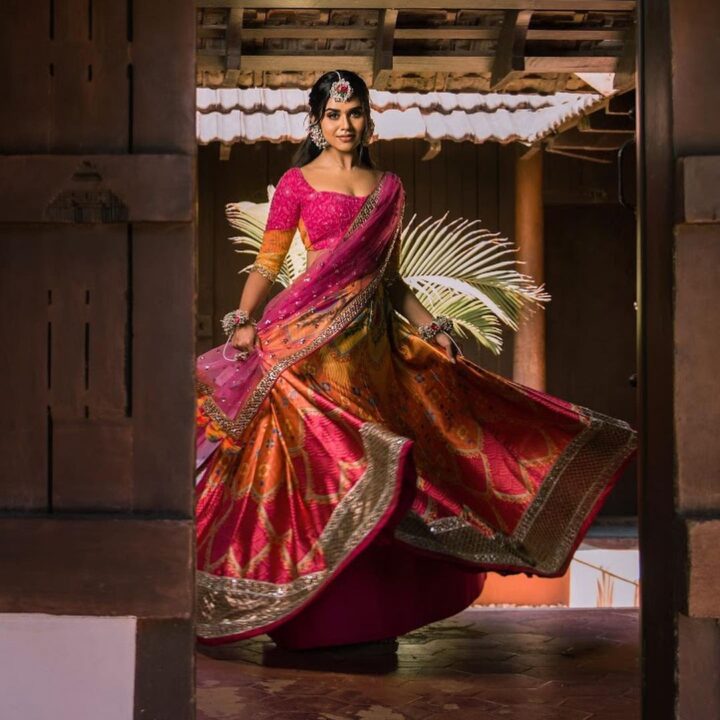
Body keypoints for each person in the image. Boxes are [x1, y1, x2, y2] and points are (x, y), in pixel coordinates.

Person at [194, 69, 637, 651]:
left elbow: (391, 277)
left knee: (380, 474)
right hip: (307, 342)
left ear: (368, 118)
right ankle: (305, 614)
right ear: (317, 122)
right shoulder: (296, 183)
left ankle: (365, 618)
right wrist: (245, 320)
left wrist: (432, 325)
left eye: (353, 113)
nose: (344, 124)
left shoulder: (390, 189)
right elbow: (269, 263)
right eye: (332, 114)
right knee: (324, 471)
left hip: (373, 351)